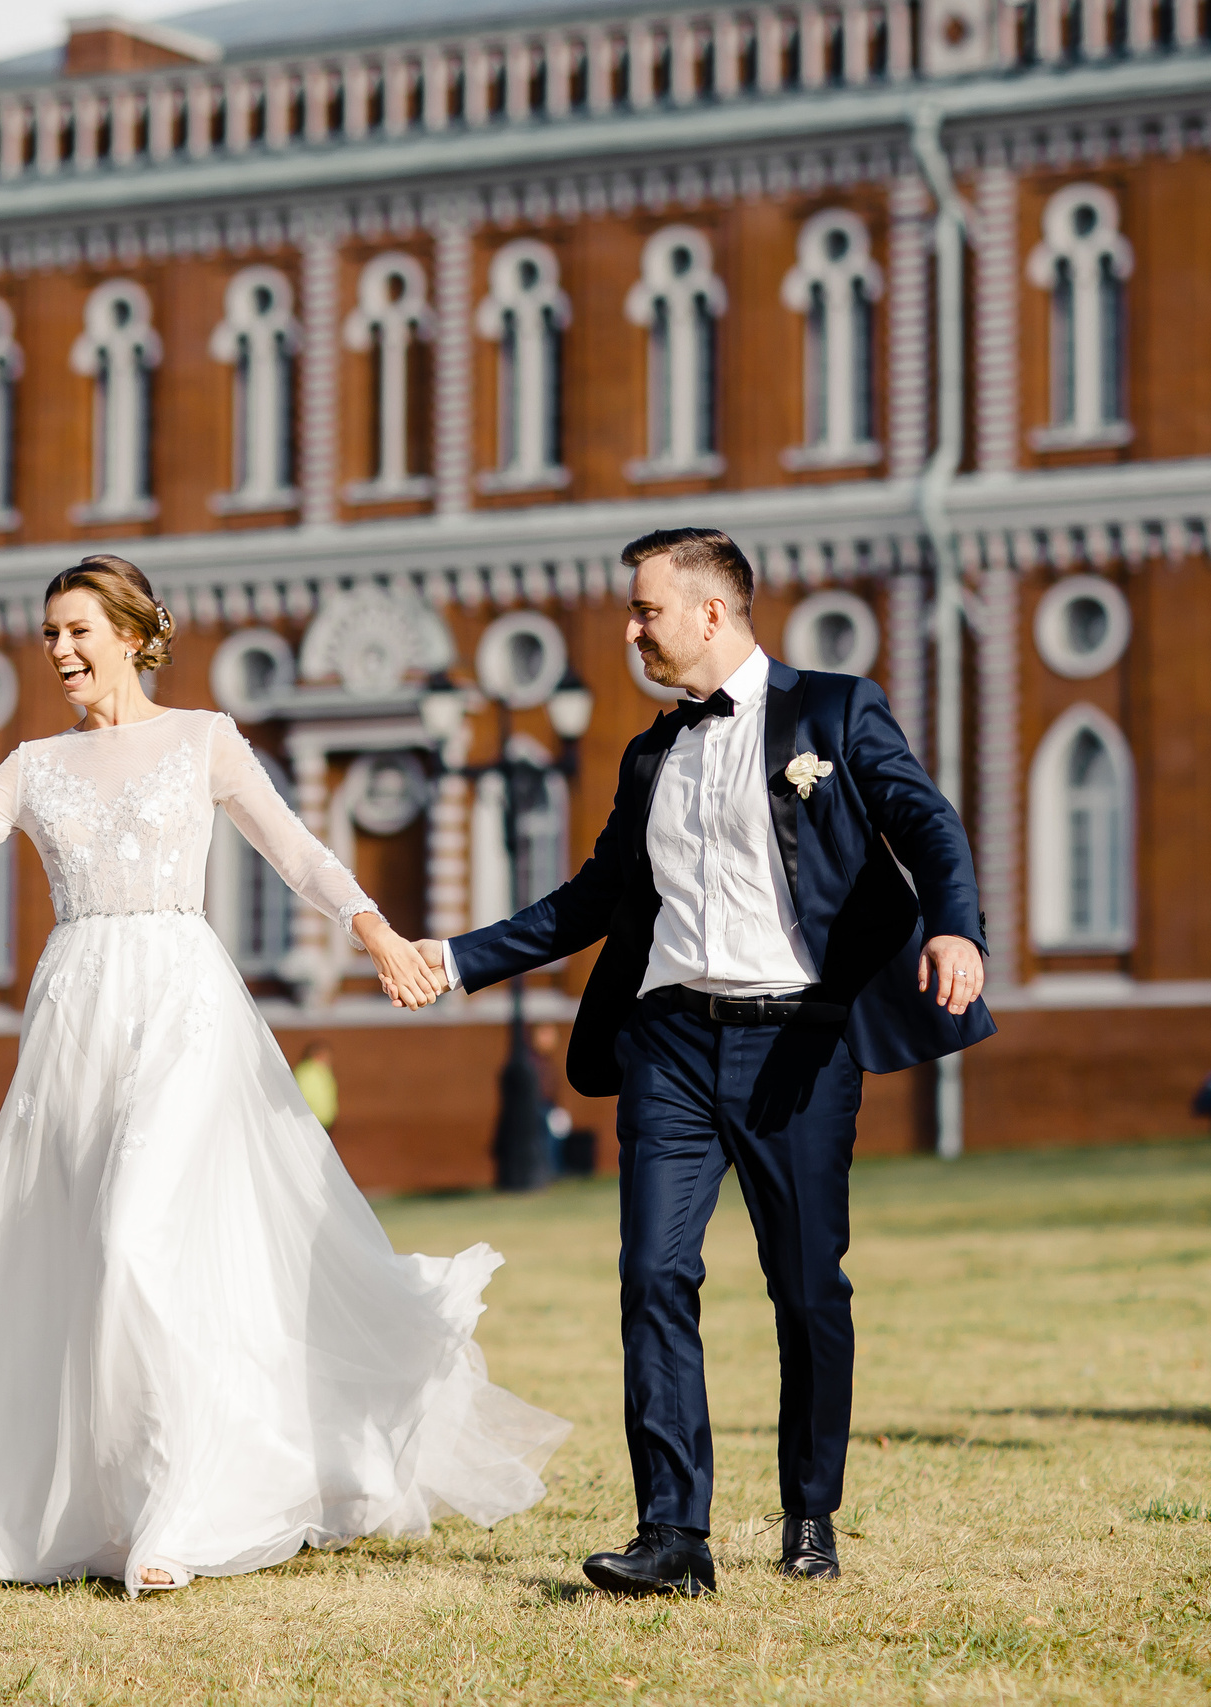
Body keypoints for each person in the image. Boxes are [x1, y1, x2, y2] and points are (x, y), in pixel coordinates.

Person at [0, 554, 570, 1595]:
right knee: (87, 1256)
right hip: (76, 1017)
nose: (60, 651)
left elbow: (299, 854)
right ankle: (118, 1501)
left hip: (182, 1005)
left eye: (79, 630)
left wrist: (375, 932)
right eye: (49, 635)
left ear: (133, 636)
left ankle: (178, 1513)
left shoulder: (203, 739)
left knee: (137, 1238)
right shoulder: (32, 766)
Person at [414, 527, 993, 1595]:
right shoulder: (651, 754)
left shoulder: (834, 711)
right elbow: (592, 899)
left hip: (798, 1041)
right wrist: (453, 959)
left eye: (645, 611)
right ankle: (673, 1535)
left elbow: (924, 820)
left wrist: (956, 926)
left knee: (806, 1287)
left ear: (711, 611)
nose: (630, 632)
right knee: (652, 1273)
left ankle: (809, 1512)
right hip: (669, 1043)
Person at [292, 1040, 338, 1132]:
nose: (329, 1059)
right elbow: (300, 1098)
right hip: (310, 1123)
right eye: (325, 1055)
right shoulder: (306, 1072)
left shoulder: (323, 1071)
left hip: (322, 1123)